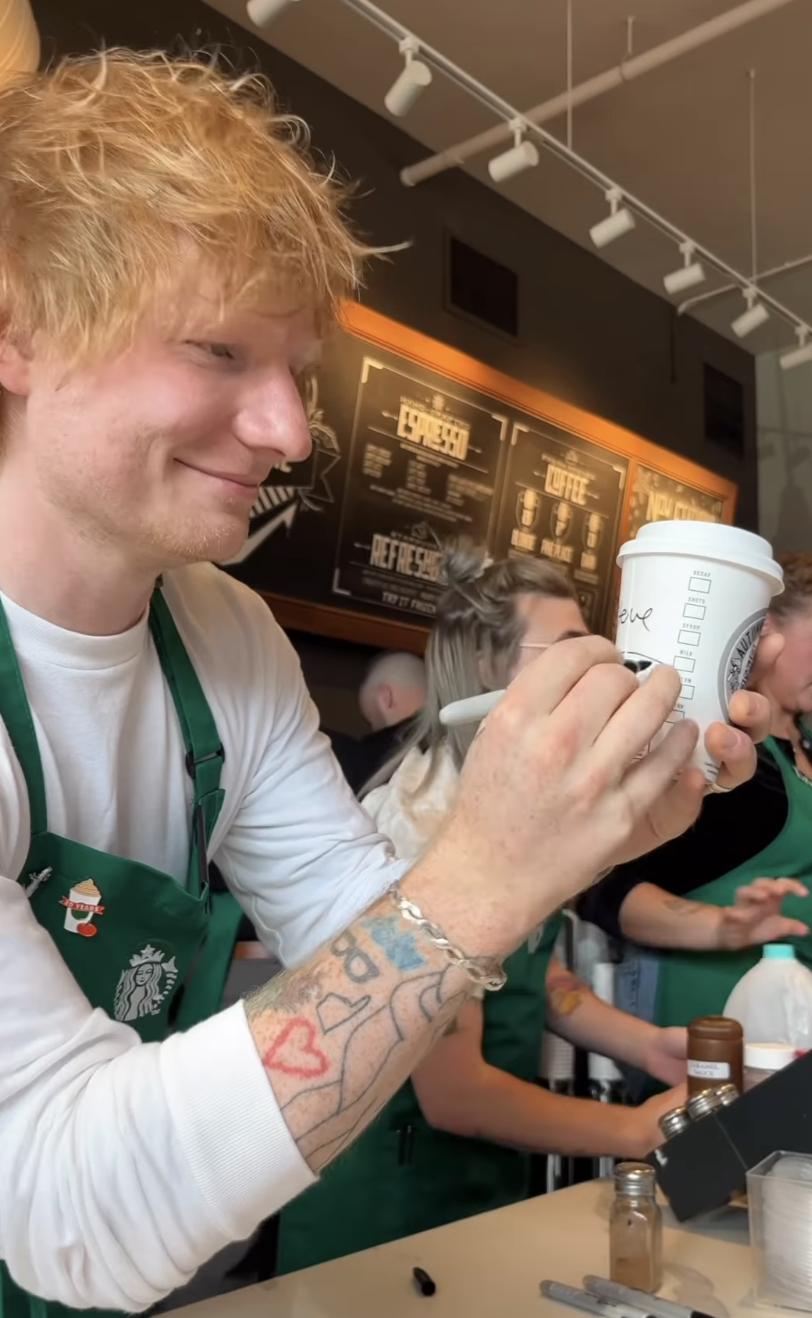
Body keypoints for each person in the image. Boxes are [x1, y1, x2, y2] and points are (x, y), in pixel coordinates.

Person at [0, 48, 770, 1317]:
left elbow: (374, 954)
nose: (291, 433)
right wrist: (492, 870)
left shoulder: (223, 634)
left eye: (296, 371)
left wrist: (600, 821)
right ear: (21, 326)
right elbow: (67, 1204)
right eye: (216, 351)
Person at [276, 549, 691, 1275]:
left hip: (477, 1185)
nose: (601, 680)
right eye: (570, 656)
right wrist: (632, 1129)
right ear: (485, 670)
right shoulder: (421, 826)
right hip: (389, 1203)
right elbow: (454, 1092)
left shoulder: (513, 807)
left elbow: (535, 976)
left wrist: (649, 1047)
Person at [579, 551, 812, 1042]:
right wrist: (727, 926)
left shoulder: (801, 750)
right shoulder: (717, 750)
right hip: (709, 1021)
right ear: (767, 632)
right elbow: (603, 889)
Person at [328, 650, 426, 793]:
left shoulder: (352, 761)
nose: (373, 731)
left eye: (372, 722)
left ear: (385, 698)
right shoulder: (461, 748)